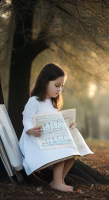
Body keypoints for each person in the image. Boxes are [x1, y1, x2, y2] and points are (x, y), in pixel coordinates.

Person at [19, 63, 79, 192]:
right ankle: (57, 182)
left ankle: (59, 180)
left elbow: (56, 123)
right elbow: (27, 119)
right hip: (34, 139)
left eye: (62, 86)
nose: (59, 89)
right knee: (61, 149)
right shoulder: (34, 101)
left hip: (49, 138)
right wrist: (31, 130)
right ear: (45, 82)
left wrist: (67, 125)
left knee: (72, 153)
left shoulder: (53, 104)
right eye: (57, 85)